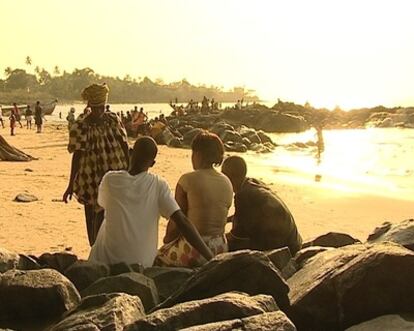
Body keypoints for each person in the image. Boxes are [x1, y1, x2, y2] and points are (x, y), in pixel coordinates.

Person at [89, 137, 214, 267]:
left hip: (104, 261)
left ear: (130, 153)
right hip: (141, 263)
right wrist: (211, 258)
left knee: (104, 219)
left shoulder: (110, 179)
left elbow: (100, 207)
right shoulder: (158, 185)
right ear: (152, 163)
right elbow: (182, 221)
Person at [63, 83, 129, 246]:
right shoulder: (80, 126)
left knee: (114, 214)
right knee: (92, 215)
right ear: (89, 106)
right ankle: (94, 247)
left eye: (102, 107)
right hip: (90, 177)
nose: (99, 111)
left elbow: (124, 145)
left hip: (115, 175)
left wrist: (129, 170)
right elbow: (77, 156)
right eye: (95, 108)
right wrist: (71, 184)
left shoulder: (114, 120)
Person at [155, 131, 233, 267]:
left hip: (195, 250)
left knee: (157, 258)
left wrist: (166, 241)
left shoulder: (187, 180)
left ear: (198, 154)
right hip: (220, 247)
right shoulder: (226, 181)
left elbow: (177, 222)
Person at [221, 156, 302, 255]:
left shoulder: (243, 195)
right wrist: (227, 220)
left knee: (225, 247)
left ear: (231, 177)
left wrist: (219, 238)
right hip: (293, 241)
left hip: (283, 247)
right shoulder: (253, 184)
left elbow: (238, 234)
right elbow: (250, 216)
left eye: (223, 177)